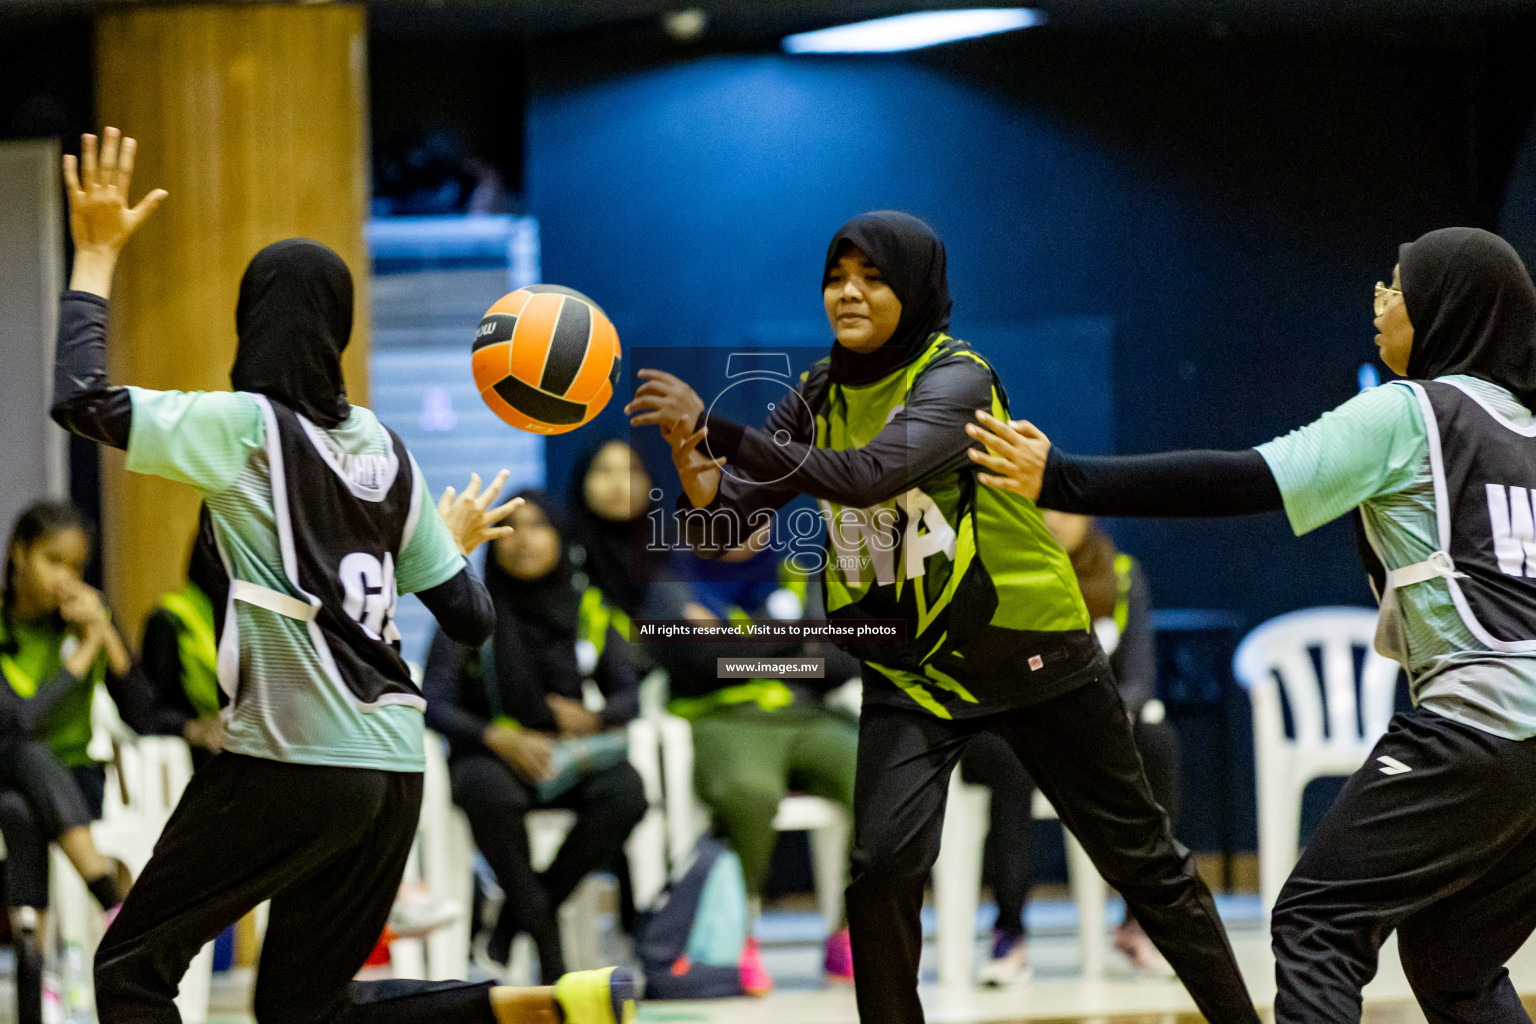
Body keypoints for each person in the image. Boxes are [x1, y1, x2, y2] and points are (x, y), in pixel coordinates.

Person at [51, 127, 635, 1024]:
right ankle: (533, 1006)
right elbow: (471, 618)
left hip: (291, 755)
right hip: (394, 770)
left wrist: (93, 254)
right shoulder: (382, 447)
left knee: (132, 966)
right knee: (303, 1011)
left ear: (254, 320)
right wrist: (445, 541)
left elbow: (80, 398)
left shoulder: (244, 424)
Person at [625, 209, 1259, 1023]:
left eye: (872, 277)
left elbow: (868, 475)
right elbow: (734, 523)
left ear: (915, 287)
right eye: (835, 276)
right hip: (909, 666)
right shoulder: (814, 392)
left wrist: (720, 425)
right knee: (881, 870)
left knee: (1144, 865)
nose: (847, 292)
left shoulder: (957, 377)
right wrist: (697, 468)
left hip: (1027, 652)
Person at [967, 226, 1536, 1024]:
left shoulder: (1410, 412)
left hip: (1480, 724)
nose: (1378, 299)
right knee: (1455, 961)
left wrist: (1063, 477)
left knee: (1317, 920)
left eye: (1398, 286)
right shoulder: (1527, 429)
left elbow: (1241, 478)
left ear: (1449, 310)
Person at [423, 491, 647, 984]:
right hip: (495, 755)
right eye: (511, 527)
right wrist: (500, 740)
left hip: (572, 755)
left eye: (539, 526)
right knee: (485, 789)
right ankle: (551, 953)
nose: (524, 540)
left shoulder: (589, 606)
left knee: (627, 791)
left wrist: (596, 718)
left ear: (561, 538)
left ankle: (510, 923)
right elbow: (433, 703)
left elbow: (629, 695)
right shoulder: (470, 608)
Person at [959, 510, 1180, 984]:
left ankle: (1142, 921)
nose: (1054, 520)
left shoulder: (1121, 572)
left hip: (1097, 721)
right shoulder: (1004, 569)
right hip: (1020, 720)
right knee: (1009, 760)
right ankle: (1009, 931)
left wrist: (1105, 716)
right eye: (1042, 510)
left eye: (1065, 508)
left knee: (1159, 744)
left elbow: (1139, 676)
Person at [670, 540, 862, 993]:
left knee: (884, 778)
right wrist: (792, 635)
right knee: (749, 793)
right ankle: (736, 935)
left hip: (808, 715)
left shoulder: (800, 568)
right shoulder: (673, 577)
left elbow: (843, 659)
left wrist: (736, 641)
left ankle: (852, 933)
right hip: (725, 718)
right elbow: (696, 662)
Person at [0, 499, 161, 1024]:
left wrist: (105, 633)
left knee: (19, 807)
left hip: (76, 783)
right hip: (10, 762)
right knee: (22, 752)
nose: (65, 580)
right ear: (20, 554)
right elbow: (18, 722)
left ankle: (35, 969)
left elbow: (141, 714)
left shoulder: (89, 620)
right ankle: (111, 898)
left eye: (76, 567)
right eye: (53, 561)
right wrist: (85, 649)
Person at [139, 511, 227, 768]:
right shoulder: (169, 622)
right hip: (196, 758)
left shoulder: (262, 619)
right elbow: (149, 714)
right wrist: (193, 728)